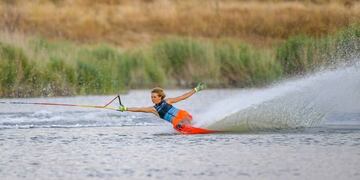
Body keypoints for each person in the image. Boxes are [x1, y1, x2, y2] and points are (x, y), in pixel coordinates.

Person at [118, 83, 206, 131]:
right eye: (151, 97)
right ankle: (192, 128)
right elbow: (139, 109)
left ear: (160, 97)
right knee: (179, 124)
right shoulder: (153, 109)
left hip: (182, 115)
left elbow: (183, 97)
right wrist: (125, 108)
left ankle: (200, 126)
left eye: (154, 97)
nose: (152, 99)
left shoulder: (168, 101)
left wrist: (196, 89)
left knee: (186, 120)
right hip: (177, 123)